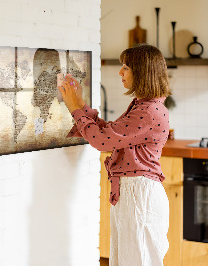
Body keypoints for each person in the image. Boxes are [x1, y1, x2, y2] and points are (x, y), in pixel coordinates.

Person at [59, 44, 171, 266]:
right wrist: (81, 104)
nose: (120, 72)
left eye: (126, 67)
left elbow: (102, 141)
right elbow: (110, 133)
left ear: (142, 72)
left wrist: (74, 109)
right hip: (134, 193)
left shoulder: (148, 111)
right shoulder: (144, 106)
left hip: (139, 195)